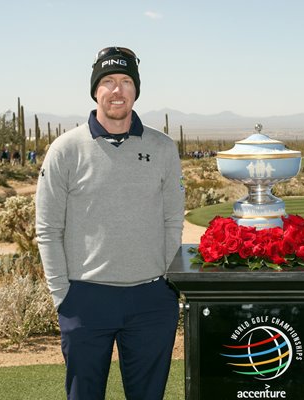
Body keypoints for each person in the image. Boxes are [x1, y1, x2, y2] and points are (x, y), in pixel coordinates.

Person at [35, 46, 185, 400]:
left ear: (135, 89)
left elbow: (171, 220)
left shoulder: (163, 147)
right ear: (95, 90)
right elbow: (48, 229)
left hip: (150, 298)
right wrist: (63, 296)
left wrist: (166, 284)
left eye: (125, 81)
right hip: (85, 299)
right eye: (107, 81)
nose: (117, 90)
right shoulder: (65, 149)